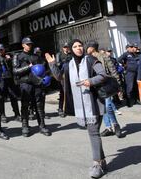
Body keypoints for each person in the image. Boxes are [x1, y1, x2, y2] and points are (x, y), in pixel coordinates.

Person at [47, 39, 107, 178]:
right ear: (71, 49)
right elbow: (59, 77)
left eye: (80, 45)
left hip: (95, 103)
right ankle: (102, 161)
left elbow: (102, 75)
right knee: (94, 133)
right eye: (75, 46)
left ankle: (97, 164)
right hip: (82, 106)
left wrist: (89, 81)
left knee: (93, 133)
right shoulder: (69, 65)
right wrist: (52, 64)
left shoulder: (91, 60)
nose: (79, 48)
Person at [12, 37, 51, 137]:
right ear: (23, 45)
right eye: (27, 44)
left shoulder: (36, 57)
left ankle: (42, 126)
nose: (29, 45)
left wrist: (45, 78)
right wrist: (28, 67)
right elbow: (15, 71)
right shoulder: (18, 56)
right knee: (25, 106)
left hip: (37, 84)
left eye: (30, 44)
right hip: (25, 84)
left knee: (39, 106)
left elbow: (43, 69)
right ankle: (25, 126)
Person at [86, 41, 124, 138]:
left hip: (106, 86)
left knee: (108, 106)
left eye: (88, 47)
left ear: (92, 48)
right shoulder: (87, 59)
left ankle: (115, 125)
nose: (86, 49)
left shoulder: (103, 56)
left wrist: (118, 85)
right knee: (102, 108)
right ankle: (108, 127)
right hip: (95, 87)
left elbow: (113, 70)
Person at [0, 44, 20, 122]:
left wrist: (10, 60)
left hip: (10, 79)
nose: (0, 51)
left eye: (1, 49)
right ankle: (2, 115)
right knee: (1, 98)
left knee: (13, 96)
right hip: (1, 80)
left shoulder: (9, 56)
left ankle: (17, 114)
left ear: (4, 49)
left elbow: (15, 64)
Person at [55, 42, 72, 117]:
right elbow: (58, 64)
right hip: (62, 76)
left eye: (67, 47)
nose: (66, 48)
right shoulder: (59, 55)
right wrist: (65, 62)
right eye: (65, 47)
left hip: (70, 75)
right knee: (62, 93)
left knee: (69, 92)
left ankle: (69, 108)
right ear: (63, 48)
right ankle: (60, 108)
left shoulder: (71, 55)